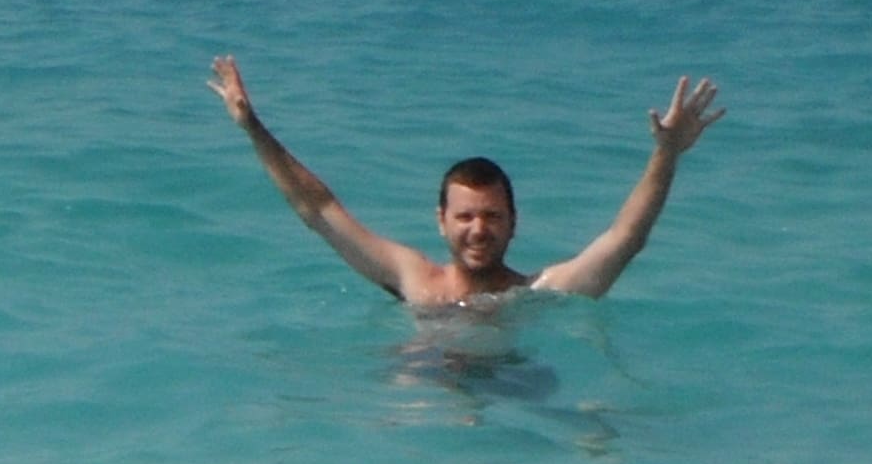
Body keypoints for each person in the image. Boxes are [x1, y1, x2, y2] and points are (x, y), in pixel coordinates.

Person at [209, 55, 723, 306]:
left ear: (514, 224)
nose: (479, 229)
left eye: (492, 217)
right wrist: (253, 127)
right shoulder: (415, 281)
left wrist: (667, 153)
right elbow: (318, 211)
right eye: (466, 217)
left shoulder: (536, 295)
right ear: (441, 222)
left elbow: (625, 240)